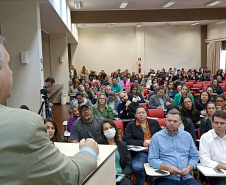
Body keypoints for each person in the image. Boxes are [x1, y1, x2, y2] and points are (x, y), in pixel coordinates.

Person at [0, 35, 99, 184]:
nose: (12, 72)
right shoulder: (26, 125)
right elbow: (68, 176)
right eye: (9, 64)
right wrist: (89, 151)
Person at [148, 110, 200, 185]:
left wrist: (188, 168)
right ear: (165, 121)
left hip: (186, 178)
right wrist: (168, 168)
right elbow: (152, 160)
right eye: (169, 120)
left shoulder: (187, 136)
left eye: (175, 121)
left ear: (180, 123)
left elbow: (194, 156)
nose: (171, 123)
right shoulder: (156, 137)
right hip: (165, 177)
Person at [123, 106, 161, 185]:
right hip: (141, 152)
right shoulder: (131, 125)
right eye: (138, 113)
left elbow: (161, 136)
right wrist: (142, 143)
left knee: (163, 165)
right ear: (135, 115)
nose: (141, 115)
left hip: (156, 151)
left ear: (146, 113)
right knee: (137, 167)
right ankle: (142, 182)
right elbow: (126, 140)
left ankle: (158, 182)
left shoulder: (154, 123)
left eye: (143, 112)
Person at [101, 119, 132, 185]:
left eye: (111, 127)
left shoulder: (122, 145)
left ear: (115, 128)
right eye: (106, 129)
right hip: (105, 175)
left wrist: (123, 174)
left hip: (121, 175)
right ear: (103, 132)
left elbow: (128, 164)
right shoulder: (100, 146)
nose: (109, 130)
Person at [199, 111, 226, 185]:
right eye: (216, 123)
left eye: (222, 123)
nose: (219, 126)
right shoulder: (206, 137)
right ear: (212, 123)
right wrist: (223, 166)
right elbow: (204, 159)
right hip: (216, 172)